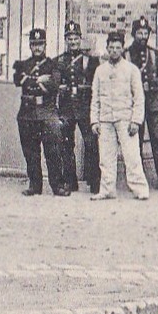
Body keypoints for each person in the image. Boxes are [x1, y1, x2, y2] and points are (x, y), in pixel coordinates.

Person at [90, 30, 149, 201]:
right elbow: (95, 97)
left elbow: (139, 98)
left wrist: (136, 120)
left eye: (117, 47)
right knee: (106, 157)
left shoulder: (132, 70)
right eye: (111, 47)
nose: (114, 50)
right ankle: (107, 189)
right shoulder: (100, 71)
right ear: (107, 48)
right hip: (106, 119)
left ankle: (140, 189)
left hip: (126, 119)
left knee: (132, 156)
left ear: (122, 49)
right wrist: (95, 120)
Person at [12, 28, 67, 196]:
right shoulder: (23, 64)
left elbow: (54, 85)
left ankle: (57, 185)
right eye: (34, 44)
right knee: (31, 152)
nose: (37, 48)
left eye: (40, 44)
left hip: (47, 112)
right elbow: (17, 81)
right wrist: (39, 80)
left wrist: (30, 81)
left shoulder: (53, 65)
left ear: (45, 45)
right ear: (30, 45)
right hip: (27, 113)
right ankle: (35, 185)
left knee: (52, 151)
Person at [127, 16, 158, 189]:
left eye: (146, 33)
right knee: (134, 144)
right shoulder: (126, 55)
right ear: (133, 34)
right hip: (133, 106)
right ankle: (137, 182)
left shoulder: (156, 55)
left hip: (154, 105)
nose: (143, 36)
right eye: (139, 32)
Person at [55, 21, 101, 195]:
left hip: (85, 107)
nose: (73, 42)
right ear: (66, 40)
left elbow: (96, 84)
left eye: (75, 38)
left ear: (80, 39)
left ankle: (94, 181)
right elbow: (56, 83)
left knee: (91, 143)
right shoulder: (60, 60)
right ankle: (70, 181)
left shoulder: (90, 60)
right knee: (66, 145)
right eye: (70, 38)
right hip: (66, 108)